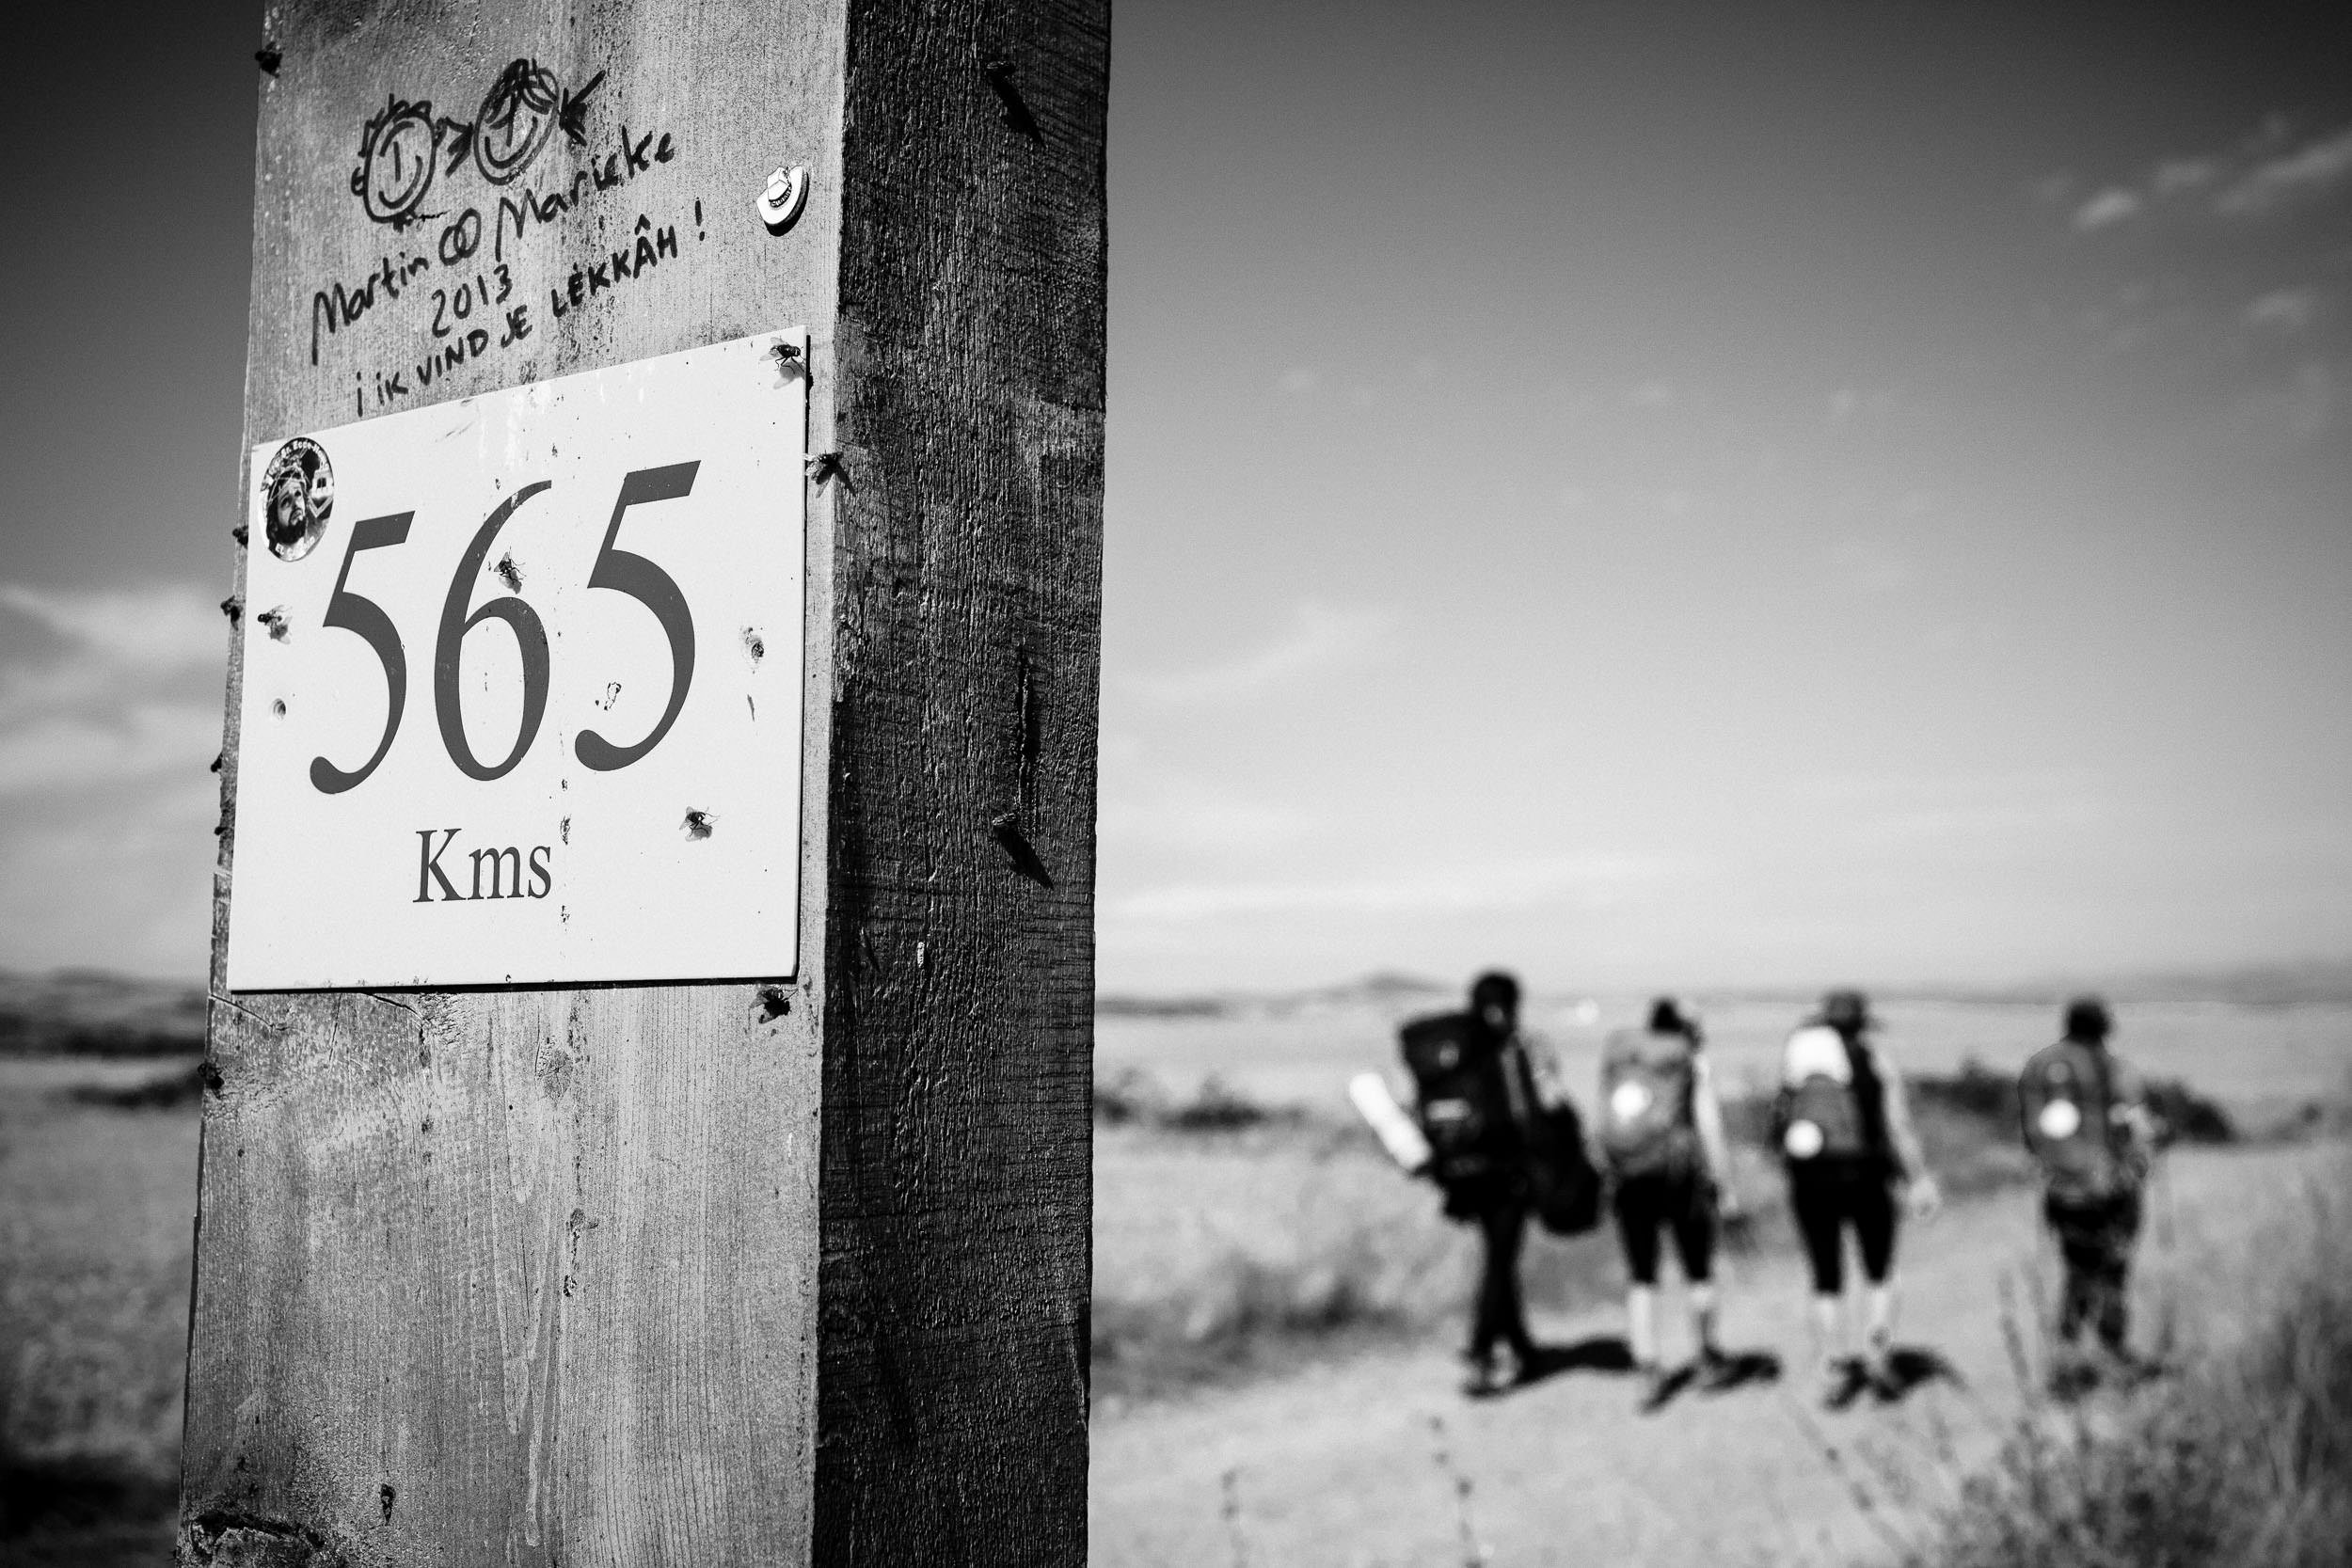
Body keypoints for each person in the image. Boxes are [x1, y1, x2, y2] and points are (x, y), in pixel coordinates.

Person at [1775, 990, 1941, 1405]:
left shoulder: (1798, 1060)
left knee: (1826, 1278)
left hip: (1810, 1181)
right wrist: (1917, 1178)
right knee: (1880, 1270)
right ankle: (1879, 1353)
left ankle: (1833, 1365)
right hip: (1867, 1176)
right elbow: (1897, 1125)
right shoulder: (1874, 1059)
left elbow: (1781, 1125)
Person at [1399, 971, 1541, 1394]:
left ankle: (1522, 1346)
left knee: (1500, 1256)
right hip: (1503, 1170)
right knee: (1501, 1260)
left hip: (1458, 1171)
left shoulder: (1451, 1048)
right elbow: (1527, 1112)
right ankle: (1481, 1350)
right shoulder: (1504, 1048)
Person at [1597, 997, 1738, 1408]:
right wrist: (1724, 1184)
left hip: (1630, 1177)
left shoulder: (1624, 1056)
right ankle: (1708, 1358)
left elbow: (1605, 1121)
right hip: (1682, 1178)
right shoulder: (1689, 1062)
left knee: (1642, 1276)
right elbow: (1708, 1124)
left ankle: (1647, 1366)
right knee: (1698, 1271)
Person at [2019, 996, 2166, 1384]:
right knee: (2113, 1268)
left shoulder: (2041, 1065)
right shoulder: (2114, 1068)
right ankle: (2111, 1349)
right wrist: (2144, 1160)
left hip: (2060, 1189)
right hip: (2109, 1189)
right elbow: (2136, 1129)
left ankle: (2068, 1353)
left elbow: (2033, 1133)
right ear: (2105, 1028)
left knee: (2077, 1269)